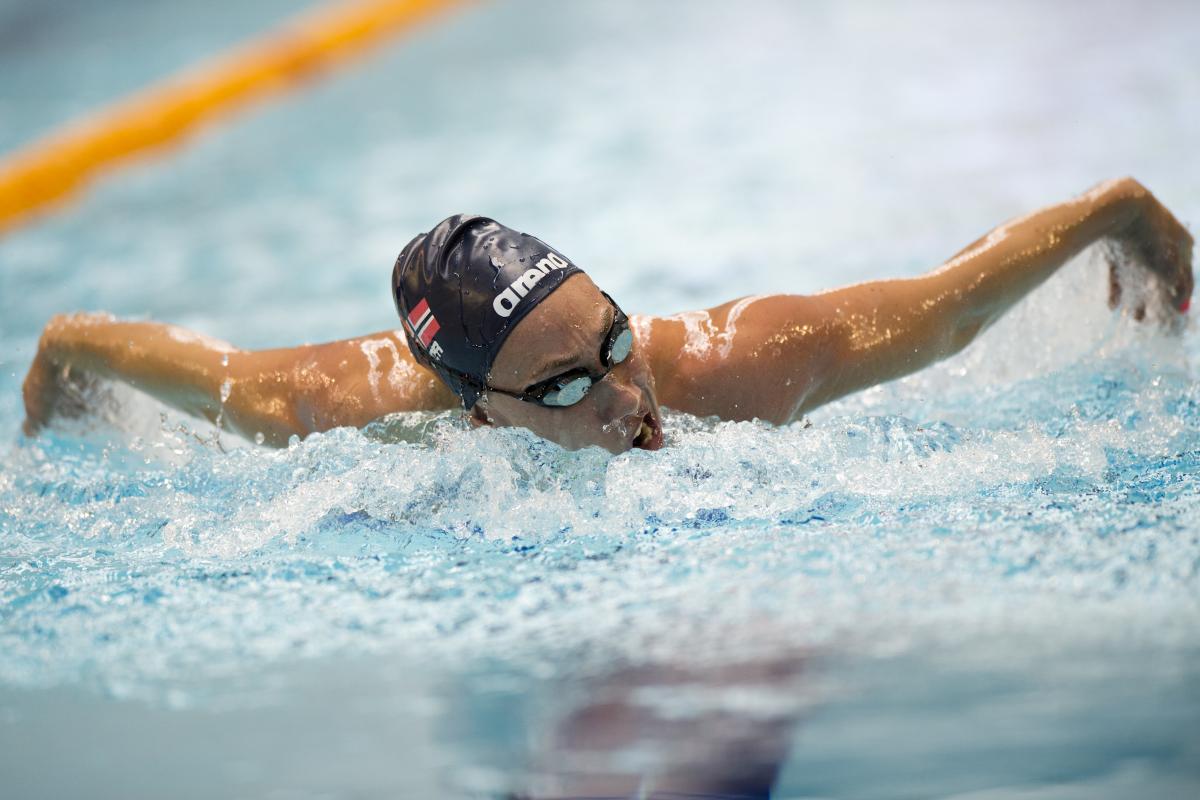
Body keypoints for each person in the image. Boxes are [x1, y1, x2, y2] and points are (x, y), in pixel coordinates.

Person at [20, 177, 1193, 453]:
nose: (633, 401)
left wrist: (1116, 213)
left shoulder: (734, 366)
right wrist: (66, 351)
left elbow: (946, 313)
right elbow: (175, 359)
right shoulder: (333, 409)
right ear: (476, 413)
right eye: (573, 388)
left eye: (614, 339)